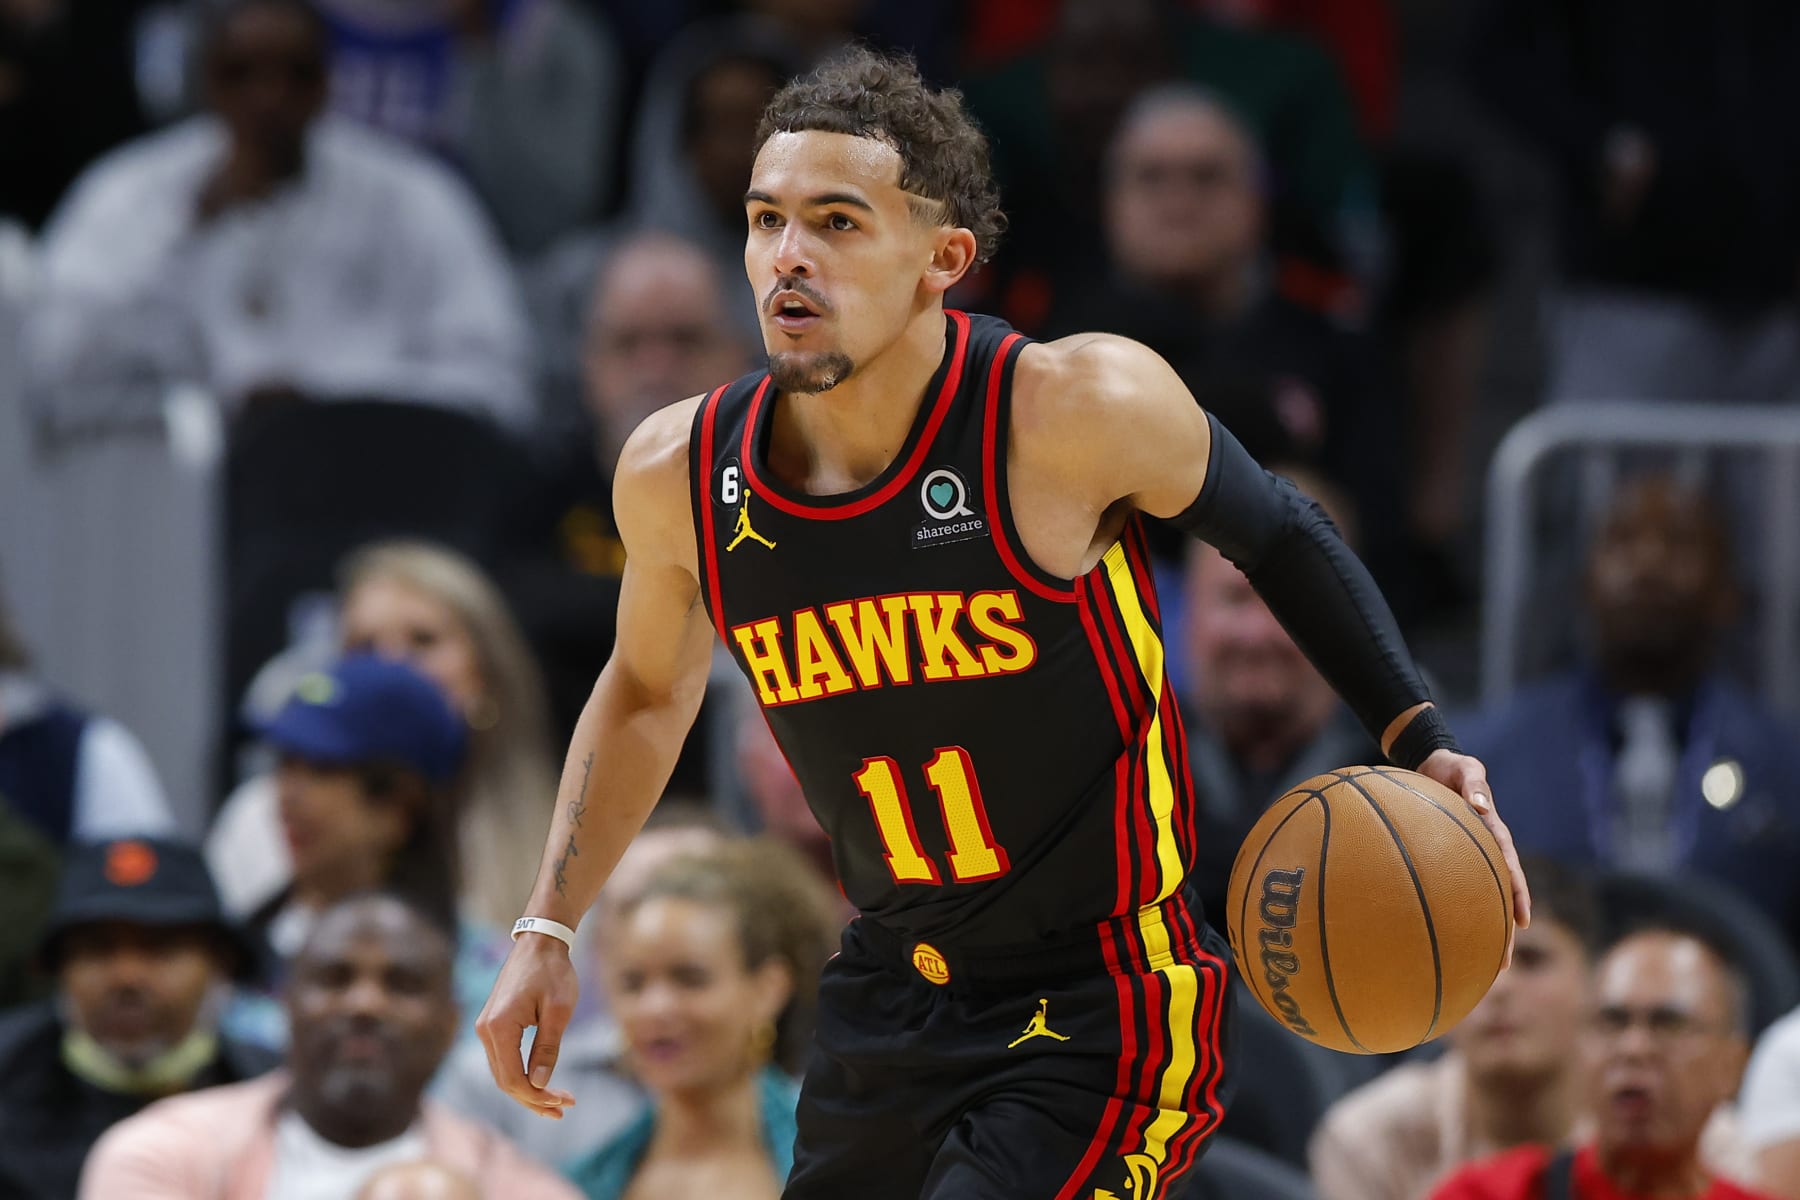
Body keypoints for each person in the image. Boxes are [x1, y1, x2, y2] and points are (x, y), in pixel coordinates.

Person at [478, 48, 1528, 1200]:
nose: (789, 256)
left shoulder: (1070, 411)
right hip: (892, 983)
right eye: (766, 218)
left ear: (944, 260)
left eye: (836, 222)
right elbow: (643, 691)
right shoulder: (680, 472)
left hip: (1099, 997)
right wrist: (549, 926)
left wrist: (1416, 730)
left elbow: (1278, 531)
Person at [26, 0, 532, 431]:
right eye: (240, 73)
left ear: (328, 81)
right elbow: (50, 364)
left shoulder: (410, 198)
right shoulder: (131, 195)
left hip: (362, 485)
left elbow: (496, 379)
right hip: (170, 498)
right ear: (206, 80)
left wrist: (329, 399)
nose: (269, 97)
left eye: (296, 73)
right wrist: (184, 228)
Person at [1043, 85, 1407, 588]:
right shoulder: (1052, 347)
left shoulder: (1335, 348)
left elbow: (1377, 533)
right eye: (1152, 178)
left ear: (1257, 196)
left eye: (1207, 176)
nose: (1179, 201)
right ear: (1110, 202)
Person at [1459, 475, 1800, 940]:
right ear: (1585, 586)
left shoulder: (1784, 762)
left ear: (1726, 594)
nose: (1648, 563)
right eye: (1622, 541)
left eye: (1679, 544)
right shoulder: (1491, 751)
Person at [80, 893, 580, 1198]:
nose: (364, 1004)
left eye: (402, 984)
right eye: (334, 979)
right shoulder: (162, 1154)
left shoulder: (516, 1189)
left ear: (450, 1024)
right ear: (287, 1004)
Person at [209, 540, 561, 934]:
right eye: (365, 646)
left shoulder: (564, 824)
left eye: (423, 640)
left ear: (486, 667)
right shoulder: (261, 819)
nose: (393, 663)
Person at [434, 810, 728, 1167]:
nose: (661, 929)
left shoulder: (806, 1097)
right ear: (599, 942)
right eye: (635, 906)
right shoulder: (489, 1085)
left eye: (695, 902)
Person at [1309, 857, 1602, 1200]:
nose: (1499, 989)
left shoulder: (1649, 1124)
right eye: (1474, 961)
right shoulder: (1367, 1138)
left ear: (1595, 983)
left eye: (1532, 959)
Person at [0, 837, 277, 1200]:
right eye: (99, 948)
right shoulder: (8, 1076)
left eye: (160, 948)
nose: (128, 976)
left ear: (220, 963)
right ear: (58, 965)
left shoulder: (275, 1098)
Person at [565, 840, 841, 1198]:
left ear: (767, 990)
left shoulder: (845, 1160)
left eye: (689, 978)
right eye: (633, 984)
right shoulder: (579, 1182)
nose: (655, 1007)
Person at [1428, 925, 1773, 1200]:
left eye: (1668, 1024)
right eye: (1612, 1021)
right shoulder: (1486, 1193)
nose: (1633, 1048)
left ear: (1733, 1065)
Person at [1178, 467, 1380, 924]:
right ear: (1187, 611)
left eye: (1289, 604)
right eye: (1234, 599)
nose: (1259, 633)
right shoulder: (1116, 771)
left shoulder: (1410, 784)